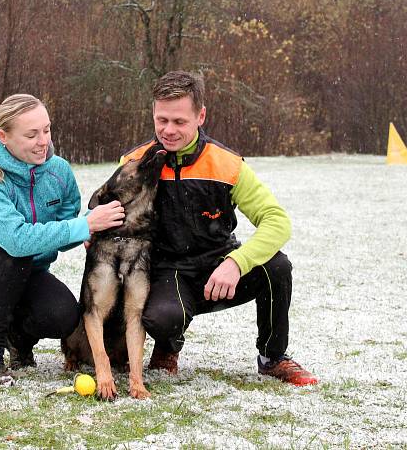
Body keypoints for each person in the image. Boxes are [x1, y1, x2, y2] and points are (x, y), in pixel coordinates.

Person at [121, 71, 318, 386]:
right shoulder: (134, 162)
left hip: (220, 270)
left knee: (277, 267)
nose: (168, 130)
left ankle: (273, 358)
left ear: (200, 116)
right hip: (166, 271)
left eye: (179, 122)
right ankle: (167, 346)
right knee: (163, 319)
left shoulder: (227, 164)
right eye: (162, 120)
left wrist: (236, 263)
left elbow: (276, 220)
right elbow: (112, 213)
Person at [0, 94, 125, 386]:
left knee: (64, 316)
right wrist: (82, 225)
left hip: (25, 273)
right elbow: (17, 241)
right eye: (31, 134)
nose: (43, 141)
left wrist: (88, 227)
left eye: (46, 130)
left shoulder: (60, 172)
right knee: (17, 250)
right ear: (4, 136)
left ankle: (19, 341)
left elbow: (62, 237)